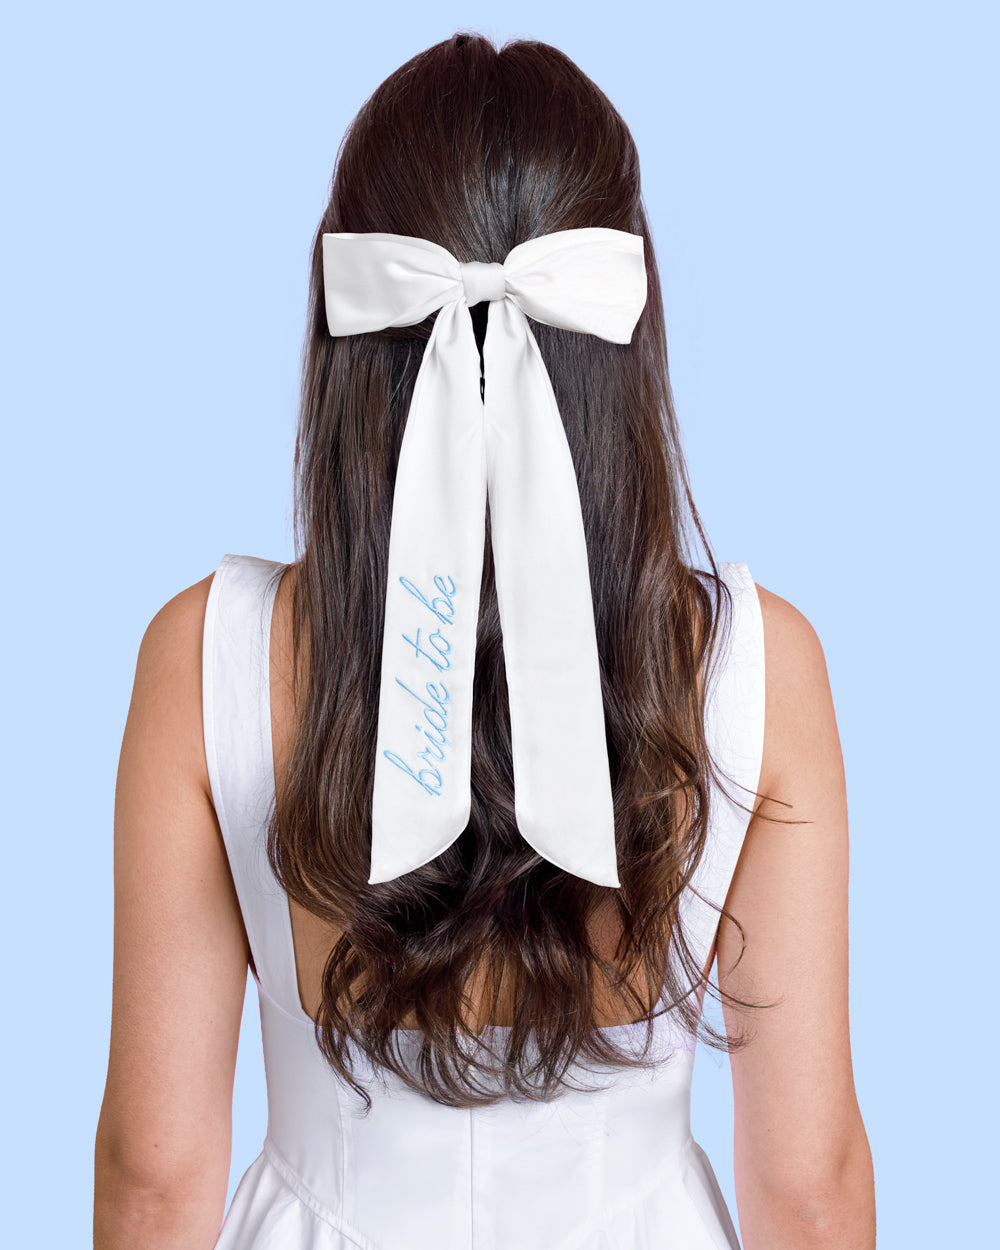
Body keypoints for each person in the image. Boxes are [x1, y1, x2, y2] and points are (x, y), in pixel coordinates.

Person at [93, 31, 875, 1250]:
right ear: (627, 334)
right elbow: (812, 1187)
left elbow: (152, 1176)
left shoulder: (207, 657)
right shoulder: (755, 669)